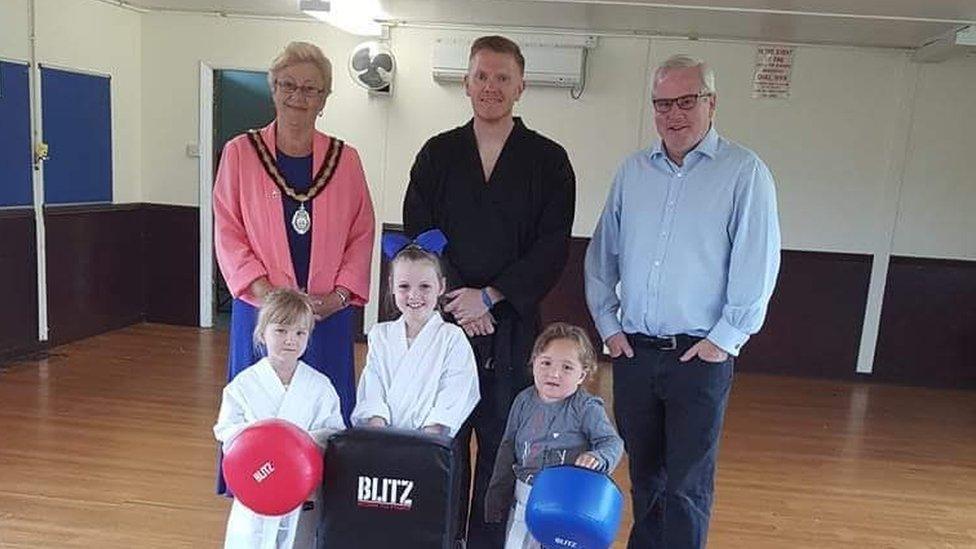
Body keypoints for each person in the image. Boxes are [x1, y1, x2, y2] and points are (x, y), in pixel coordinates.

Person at [585, 54, 781, 549]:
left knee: (687, 484)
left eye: (686, 101)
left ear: (711, 104)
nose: (674, 114)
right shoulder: (632, 172)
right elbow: (601, 254)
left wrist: (725, 340)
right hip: (634, 353)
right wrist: (609, 326)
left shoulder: (744, 172)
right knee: (645, 476)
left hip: (700, 355)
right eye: (662, 104)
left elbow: (757, 263)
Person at [402, 35, 576, 547]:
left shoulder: (549, 160)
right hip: (445, 324)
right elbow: (421, 233)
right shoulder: (437, 153)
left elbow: (552, 246)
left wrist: (493, 296)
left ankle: (486, 542)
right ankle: (437, 537)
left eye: (502, 78)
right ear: (466, 82)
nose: (491, 87)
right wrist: (460, 294)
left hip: (513, 326)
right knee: (441, 437)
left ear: (521, 86)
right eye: (481, 76)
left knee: (503, 442)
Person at [213, 40, 375, 444]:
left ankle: (323, 493)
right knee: (259, 407)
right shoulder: (240, 153)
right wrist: (269, 295)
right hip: (262, 310)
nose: (297, 97)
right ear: (273, 89)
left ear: (324, 98)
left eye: (310, 89)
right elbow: (228, 231)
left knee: (326, 412)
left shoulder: (346, 159)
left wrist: (338, 297)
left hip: (326, 313)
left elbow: (362, 232)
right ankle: (257, 488)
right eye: (288, 85)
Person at [213, 288, 345, 549]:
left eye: (299, 333)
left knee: (299, 540)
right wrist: (263, 443)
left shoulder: (320, 386)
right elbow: (226, 430)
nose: (290, 340)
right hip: (257, 483)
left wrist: (296, 447)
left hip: (300, 487)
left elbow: (333, 431)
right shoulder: (243, 385)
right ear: (262, 333)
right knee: (251, 539)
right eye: (281, 331)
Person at [484, 322, 624, 549]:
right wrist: (496, 497)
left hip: (568, 504)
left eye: (567, 367)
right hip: (524, 500)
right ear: (534, 363)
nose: (554, 373)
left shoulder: (586, 407)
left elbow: (612, 442)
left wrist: (598, 458)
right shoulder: (523, 401)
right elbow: (507, 449)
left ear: (582, 375)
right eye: (546, 363)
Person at [350, 229, 480, 437]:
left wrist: (432, 432)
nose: (414, 295)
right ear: (391, 285)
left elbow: (456, 389)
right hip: (383, 439)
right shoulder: (380, 335)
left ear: (441, 286)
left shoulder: (451, 338)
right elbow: (373, 386)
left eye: (425, 286)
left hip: (430, 443)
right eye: (404, 286)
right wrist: (377, 425)